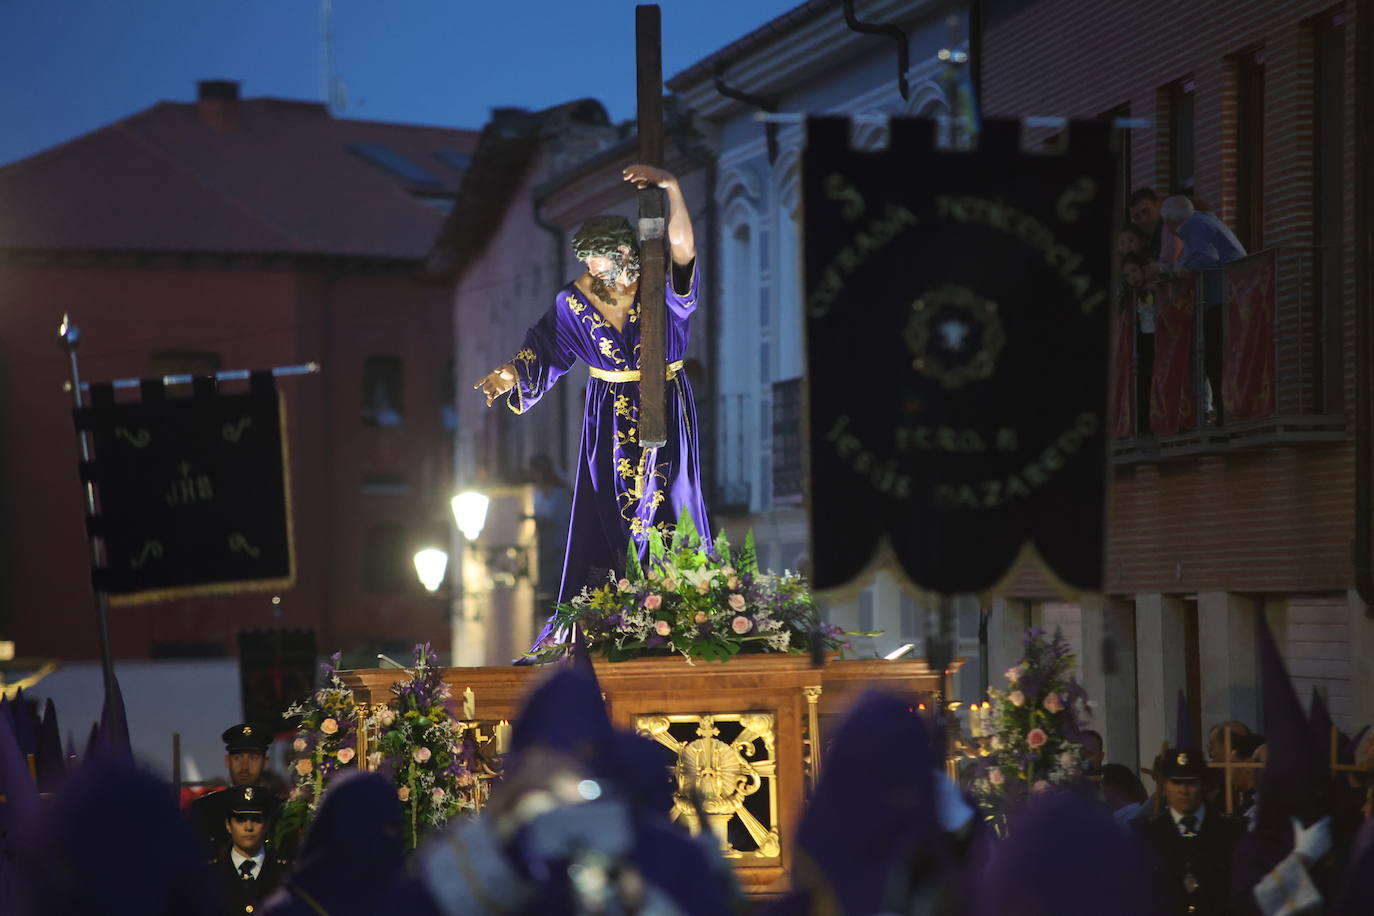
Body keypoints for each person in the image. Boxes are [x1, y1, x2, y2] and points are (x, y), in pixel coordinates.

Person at [474, 164, 710, 653]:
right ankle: (611, 612)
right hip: (607, 413)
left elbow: (685, 247)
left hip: (664, 401)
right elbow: (545, 349)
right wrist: (510, 375)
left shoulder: (660, 279)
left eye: (600, 263)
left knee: (670, 501)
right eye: (589, 264)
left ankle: (683, 609)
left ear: (625, 253)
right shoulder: (573, 301)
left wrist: (672, 187)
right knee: (608, 510)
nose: (594, 272)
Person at [1161, 195, 1248, 426]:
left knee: (1214, 358)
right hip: (1227, 296)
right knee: (1214, 357)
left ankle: (1223, 414)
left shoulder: (1193, 224)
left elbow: (1207, 258)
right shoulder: (1205, 221)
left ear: (1170, 221)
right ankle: (1223, 412)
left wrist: (1180, 269)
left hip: (1221, 298)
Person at [1136, 747, 1246, 915]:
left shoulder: (1232, 831)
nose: (1184, 791)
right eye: (1177, 782)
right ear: (1164, 785)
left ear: (1203, 784)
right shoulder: (1144, 832)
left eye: (1191, 782)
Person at [190, 722, 275, 854]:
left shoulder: (279, 809)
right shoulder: (204, 809)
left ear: (265, 763)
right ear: (227, 761)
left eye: (253, 758)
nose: (245, 767)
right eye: (237, 758)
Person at [210, 785, 290, 915]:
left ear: (267, 824)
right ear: (228, 825)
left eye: (256, 819)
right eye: (241, 819)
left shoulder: (286, 876)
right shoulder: (210, 876)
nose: (248, 827)